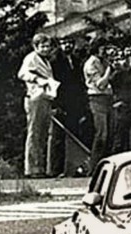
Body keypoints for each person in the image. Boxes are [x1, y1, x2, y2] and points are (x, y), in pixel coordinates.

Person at [17, 33, 60, 178]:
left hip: (45, 98)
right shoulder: (31, 58)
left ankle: (40, 167)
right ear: (35, 47)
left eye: (48, 46)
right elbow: (22, 74)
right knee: (34, 132)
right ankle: (32, 169)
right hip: (35, 98)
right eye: (43, 46)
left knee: (43, 133)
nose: (46, 49)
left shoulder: (45, 60)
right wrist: (36, 79)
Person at [48, 36, 88, 177]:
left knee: (73, 136)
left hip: (74, 104)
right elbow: (53, 85)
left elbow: (79, 85)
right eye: (64, 43)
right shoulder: (54, 61)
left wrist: (82, 106)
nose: (67, 46)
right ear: (60, 44)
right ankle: (55, 169)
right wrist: (55, 104)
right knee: (57, 137)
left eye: (70, 43)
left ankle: (71, 168)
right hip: (60, 103)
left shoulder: (76, 61)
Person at [83, 38, 114, 172]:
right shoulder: (91, 63)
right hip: (97, 98)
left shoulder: (104, 62)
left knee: (110, 133)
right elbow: (101, 84)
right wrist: (109, 69)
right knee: (101, 133)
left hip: (108, 98)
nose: (105, 51)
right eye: (103, 48)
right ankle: (94, 166)